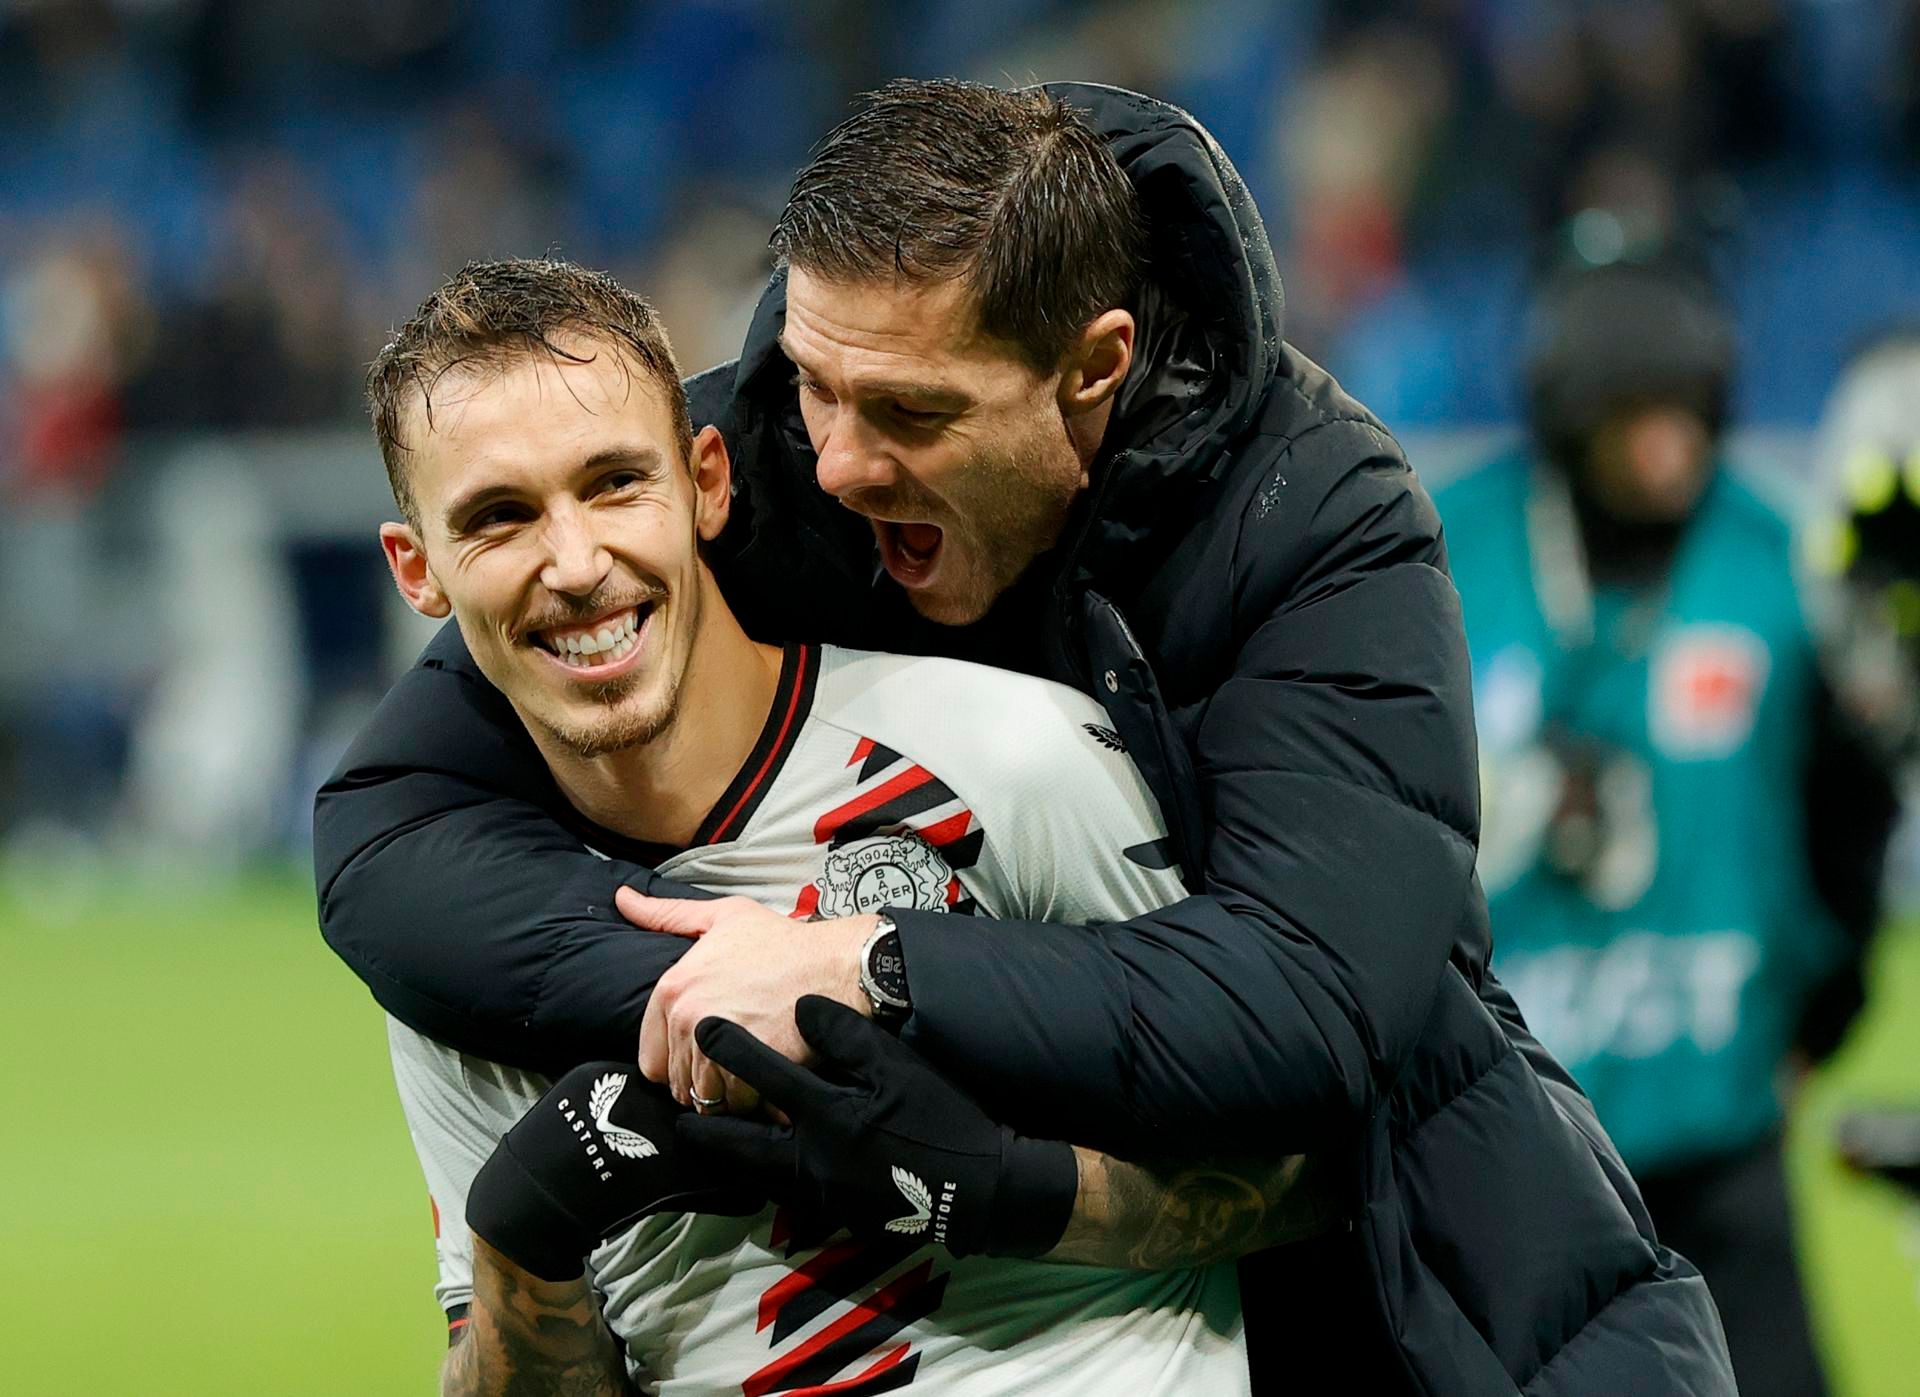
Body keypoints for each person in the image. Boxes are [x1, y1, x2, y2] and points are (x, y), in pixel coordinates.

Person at [319, 81, 1735, 1393]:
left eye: (913, 414)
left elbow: (1304, 1016)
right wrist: (696, 1022)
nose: (839, 463)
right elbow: (386, 826)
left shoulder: (1316, 524)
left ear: (1093, 368)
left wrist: (861, 975)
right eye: (813, 383)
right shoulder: (750, 453)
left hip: (1448, 1267)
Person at [369, 257, 1322, 1392]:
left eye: (617, 483)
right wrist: (528, 1234)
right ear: (418, 570)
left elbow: (1308, 1168)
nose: (576, 563)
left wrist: (989, 1183)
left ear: (708, 481)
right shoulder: (458, 966)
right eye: (500, 516)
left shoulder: (1008, 758)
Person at [1435, 235, 1903, 1397]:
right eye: (1634, 416)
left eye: (1688, 412)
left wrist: (1825, 1004)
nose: (1668, 447)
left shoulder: (1779, 559)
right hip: (1517, 1150)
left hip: (1720, 1140)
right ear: (1567, 416)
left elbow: (1849, 810)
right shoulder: (1442, 550)